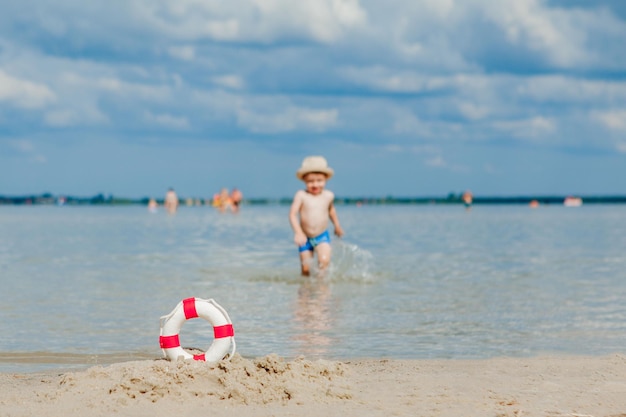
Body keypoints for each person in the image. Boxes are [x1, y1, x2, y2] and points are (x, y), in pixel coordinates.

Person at [289, 156, 344, 276]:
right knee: (306, 270)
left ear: (326, 179)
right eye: (310, 181)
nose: (315, 184)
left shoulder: (328, 196)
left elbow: (331, 211)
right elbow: (292, 214)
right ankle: (306, 291)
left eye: (319, 180)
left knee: (324, 261)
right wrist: (298, 232)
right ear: (304, 180)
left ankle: (321, 290)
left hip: (321, 236)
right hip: (305, 238)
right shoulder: (301, 195)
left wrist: (337, 226)